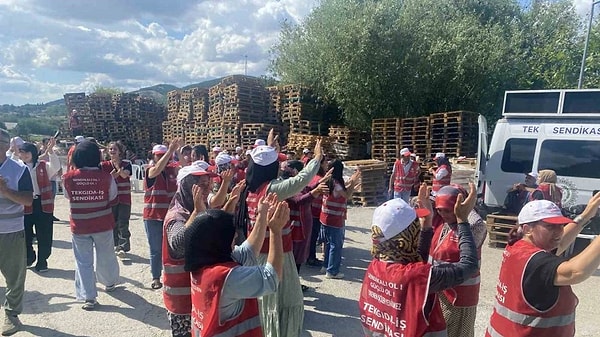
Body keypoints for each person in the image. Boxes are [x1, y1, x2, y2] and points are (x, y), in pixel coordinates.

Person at [359, 183, 479, 337]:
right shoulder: (417, 277)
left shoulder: (375, 266)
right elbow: (469, 266)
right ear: (406, 236)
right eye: (415, 226)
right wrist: (462, 221)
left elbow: (413, 265)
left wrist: (426, 224)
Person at [234, 131, 322, 337]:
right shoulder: (273, 189)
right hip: (277, 252)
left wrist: (272, 145)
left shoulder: (249, 187)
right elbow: (300, 180)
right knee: (283, 298)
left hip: (256, 252)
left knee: (263, 299)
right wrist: (316, 159)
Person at [486, 195, 600, 337]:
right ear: (528, 229)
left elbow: (561, 242)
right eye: (550, 226)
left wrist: (586, 215)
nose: (559, 231)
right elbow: (576, 272)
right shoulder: (535, 261)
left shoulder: (517, 246)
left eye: (560, 225)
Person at [184, 194, 289, 337]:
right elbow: (271, 278)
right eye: (231, 235)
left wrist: (262, 215)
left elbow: (248, 252)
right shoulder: (225, 278)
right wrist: (276, 232)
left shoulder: (202, 264)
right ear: (218, 242)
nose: (235, 238)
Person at [162, 159, 241, 337]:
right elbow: (179, 245)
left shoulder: (199, 207)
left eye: (208, 184)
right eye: (200, 185)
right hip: (181, 297)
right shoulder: (177, 215)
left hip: (197, 293)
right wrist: (197, 213)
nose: (206, 189)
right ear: (186, 187)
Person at [62, 140, 120, 311]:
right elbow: (113, 198)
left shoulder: (68, 178)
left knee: (83, 261)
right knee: (106, 255)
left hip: (80, 227)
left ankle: (89, 297)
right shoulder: (106, 177)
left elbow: (67, 197)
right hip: (103, 225)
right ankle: (109, 283)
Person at [429, 184, 487, 337]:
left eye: (447, 210)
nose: (442, 214)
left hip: (460, 296)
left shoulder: (474, 227)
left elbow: (477, 223)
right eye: (439, 209)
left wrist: (465, 209)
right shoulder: (442, 221)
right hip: (441, 290)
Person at [0, 128, 33, 336]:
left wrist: (5, 191)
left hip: (10, 232)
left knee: (14, 277)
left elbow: (28, 200)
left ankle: (11, 315)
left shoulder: (18, 170)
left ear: (3, 147)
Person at [143, 141, 180, 290]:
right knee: (156, 249)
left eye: (164, 155)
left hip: (170, 216)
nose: (162, 158)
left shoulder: (173, 170)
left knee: (172, 248)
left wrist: (179, 151)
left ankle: (170, 276)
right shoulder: (151, 170)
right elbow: (157, 170)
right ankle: (156, 277)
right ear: (154, 156)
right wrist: (169, 151)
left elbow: (185, 167)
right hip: (153, 216)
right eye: (159, 155)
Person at [19, 140, 60, 272]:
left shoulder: (43, 166)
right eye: (21, 152)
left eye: (27, 152)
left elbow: (56, 166)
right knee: (25, 233)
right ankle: (29, 256)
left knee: (44, 233)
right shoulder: (18, 166)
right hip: (25, 203)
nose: (24, 155)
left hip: (42, 203)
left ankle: (42, 260)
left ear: (34, 153)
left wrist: (51, 151)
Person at [319, 159, 360, 279]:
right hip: (335, 218)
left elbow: (343, 190)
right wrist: (353, 183)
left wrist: (352, 182)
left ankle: (325, 266)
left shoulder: (328, 181)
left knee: (327, 243)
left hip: (325, 217)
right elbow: (346, 195)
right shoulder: (336, 183)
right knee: (335, 245)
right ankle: (332, 271)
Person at [100, 141, 133, 260]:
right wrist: (111, 177)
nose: (112, 151)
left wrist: (118, 167)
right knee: (112, 222)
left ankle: (123, 246)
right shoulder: (103, 165)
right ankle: (115, 245)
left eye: (114, 149)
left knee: (123, 222)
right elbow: (102, 180)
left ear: (120, 152)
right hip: (111, 198)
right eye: (110, 149)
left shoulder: (126, 163)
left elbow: (125, 175)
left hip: (124, 198)